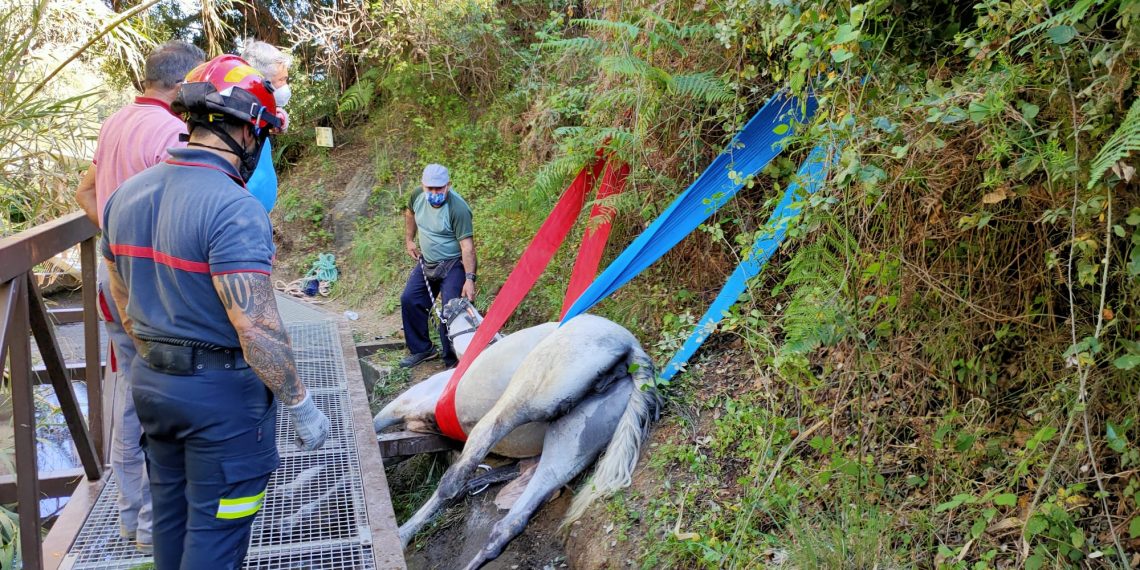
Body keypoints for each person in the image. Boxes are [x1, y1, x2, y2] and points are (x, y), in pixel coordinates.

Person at [101, 55, 330, 568]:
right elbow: (257, 329)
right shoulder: (234, 207)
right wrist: (300, 404)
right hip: (222, 406)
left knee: (173, 526)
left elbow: (121, 301)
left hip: (154, 389)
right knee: (216, 543)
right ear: (249, 132)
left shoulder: (125, 196)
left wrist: (159, 361)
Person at [74, 40, 205, 553]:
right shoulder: (172, 131)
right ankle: (162, 526)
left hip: (114, 279)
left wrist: (114, 235)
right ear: (183, 84)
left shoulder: (115, 123)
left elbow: (86, 192)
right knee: (168, 397)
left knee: (130, 397)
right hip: (155, 289)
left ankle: (134, 521)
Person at [399, 164, 478, 368]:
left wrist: (469, 279)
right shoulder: (417, 196)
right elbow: (410, 213)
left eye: (439, 188)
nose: (434, 192)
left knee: (450, 309)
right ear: (423, 186)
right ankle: (422, 349)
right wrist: (409, 240)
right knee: (410, 299)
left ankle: (452, 361)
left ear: (448, 186)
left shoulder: (457, 208)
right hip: (428, 261)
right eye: (430, 188)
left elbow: (467, 247)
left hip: (453, 264)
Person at [239, 39, 293, 213]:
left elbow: (279, 116)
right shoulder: (238, 115)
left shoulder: (261, 113)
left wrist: (280, 117)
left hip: (258, 214)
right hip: (243, 216)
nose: (285, 86)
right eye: (281, 80)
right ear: (262, 81)